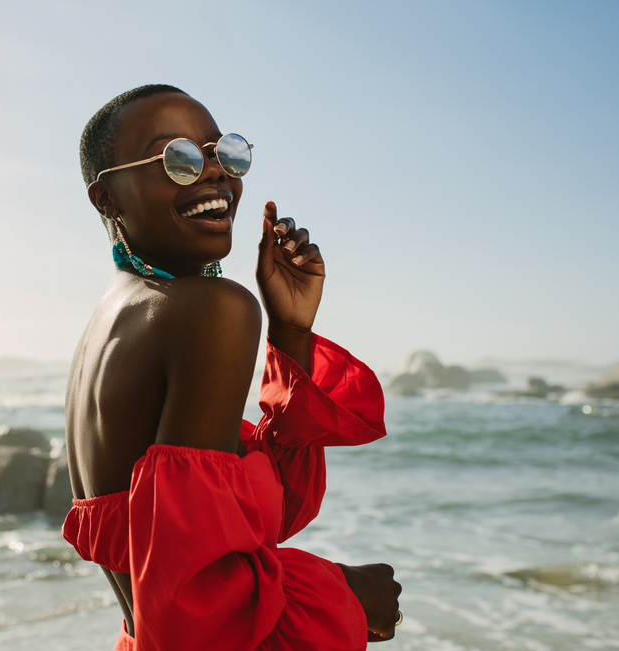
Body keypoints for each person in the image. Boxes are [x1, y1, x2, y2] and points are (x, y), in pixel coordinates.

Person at [62, 84, 402, 651]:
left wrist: (289, 334)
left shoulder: (110, 323)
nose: (215, 174)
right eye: (179, 159)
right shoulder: (212, 309)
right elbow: (201, 612)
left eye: (223, 154)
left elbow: (239, 525)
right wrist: (345, 591)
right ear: (108, 200)